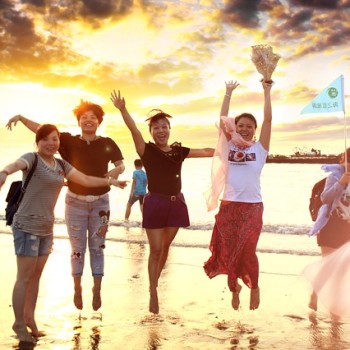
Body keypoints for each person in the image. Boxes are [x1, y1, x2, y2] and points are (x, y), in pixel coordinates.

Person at [0, 124, 127, 344]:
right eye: (46, 139)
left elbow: (85, 180)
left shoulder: (60, 165)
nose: (51, 143)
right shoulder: (32, 158)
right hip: (27, 225)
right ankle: (18, 324)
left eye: (55, 139)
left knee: (36, 277)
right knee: (24, 277)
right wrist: (4, 172)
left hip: (47, 228)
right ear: (38, 141)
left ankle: (30, 319)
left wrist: (110, 182)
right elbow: (16, 165)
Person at [110, 90, 214, 314]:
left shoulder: (178, 151)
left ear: (169, 129)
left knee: (166, 247)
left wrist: (233, 149)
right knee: (155, 249)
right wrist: (123, 109)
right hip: (155, 203)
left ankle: (154, 281)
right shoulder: (146, 150)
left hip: (176, 204)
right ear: (152, 131)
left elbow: (206, 151)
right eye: (156, 128)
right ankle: (153, 289)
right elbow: (133, 130)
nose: (161, 131)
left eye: (164, 127)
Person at [204, 79, 273, 311]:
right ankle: (234, 289)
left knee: (247, 250)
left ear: (255, 130)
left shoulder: (259, 149)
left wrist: (266, 90)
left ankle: (255, 287)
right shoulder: (229, 146)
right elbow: (222, 118)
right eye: (240, 125)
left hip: (252, 207)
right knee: (230, 252)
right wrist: (227, 93)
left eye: (249, 126)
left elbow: (269, 120)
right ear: (235, 127)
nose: (244, 129)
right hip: (229, 206)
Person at [306, 148, 350, 312]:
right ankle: (315, 293)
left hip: (348, 228)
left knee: (342, 270)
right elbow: (325, 198)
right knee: (329, 265)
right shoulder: (334, 177)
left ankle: (334, 305)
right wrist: (341, 183)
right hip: (331, 226)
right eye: (348, 160)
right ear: (342, 161)